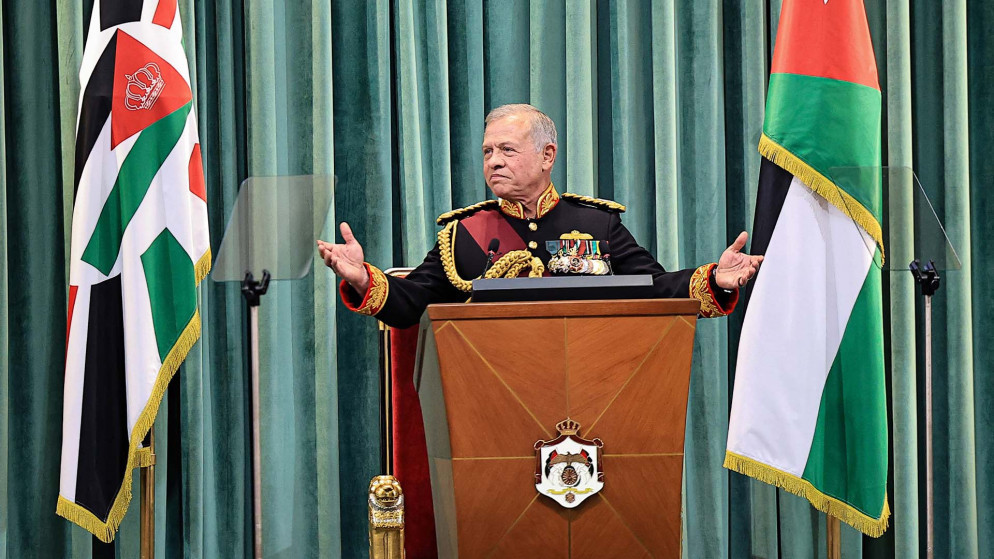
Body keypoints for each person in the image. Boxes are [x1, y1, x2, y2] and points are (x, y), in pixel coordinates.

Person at [318, 104, 762, 329]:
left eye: (507, 150)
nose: (494, 161)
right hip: (494, 393)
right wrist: (361, 277)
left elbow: (655, 289)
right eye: (487, 151)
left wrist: (716, 279)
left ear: (547, 155)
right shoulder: (464, 234)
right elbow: (410, 303)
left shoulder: (598, 225)